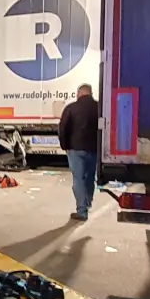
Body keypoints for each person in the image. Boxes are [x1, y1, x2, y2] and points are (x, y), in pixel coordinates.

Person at [58, 84, 99, 221]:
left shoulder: (71, 108)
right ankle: (87, 202)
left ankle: (82, 211)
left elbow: (63, 128)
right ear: (90, 93)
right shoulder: (99, 108)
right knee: (89, 177)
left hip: (76, 149)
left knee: (78, 179)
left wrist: (65, 145)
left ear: (79, 93)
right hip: (94, 149)